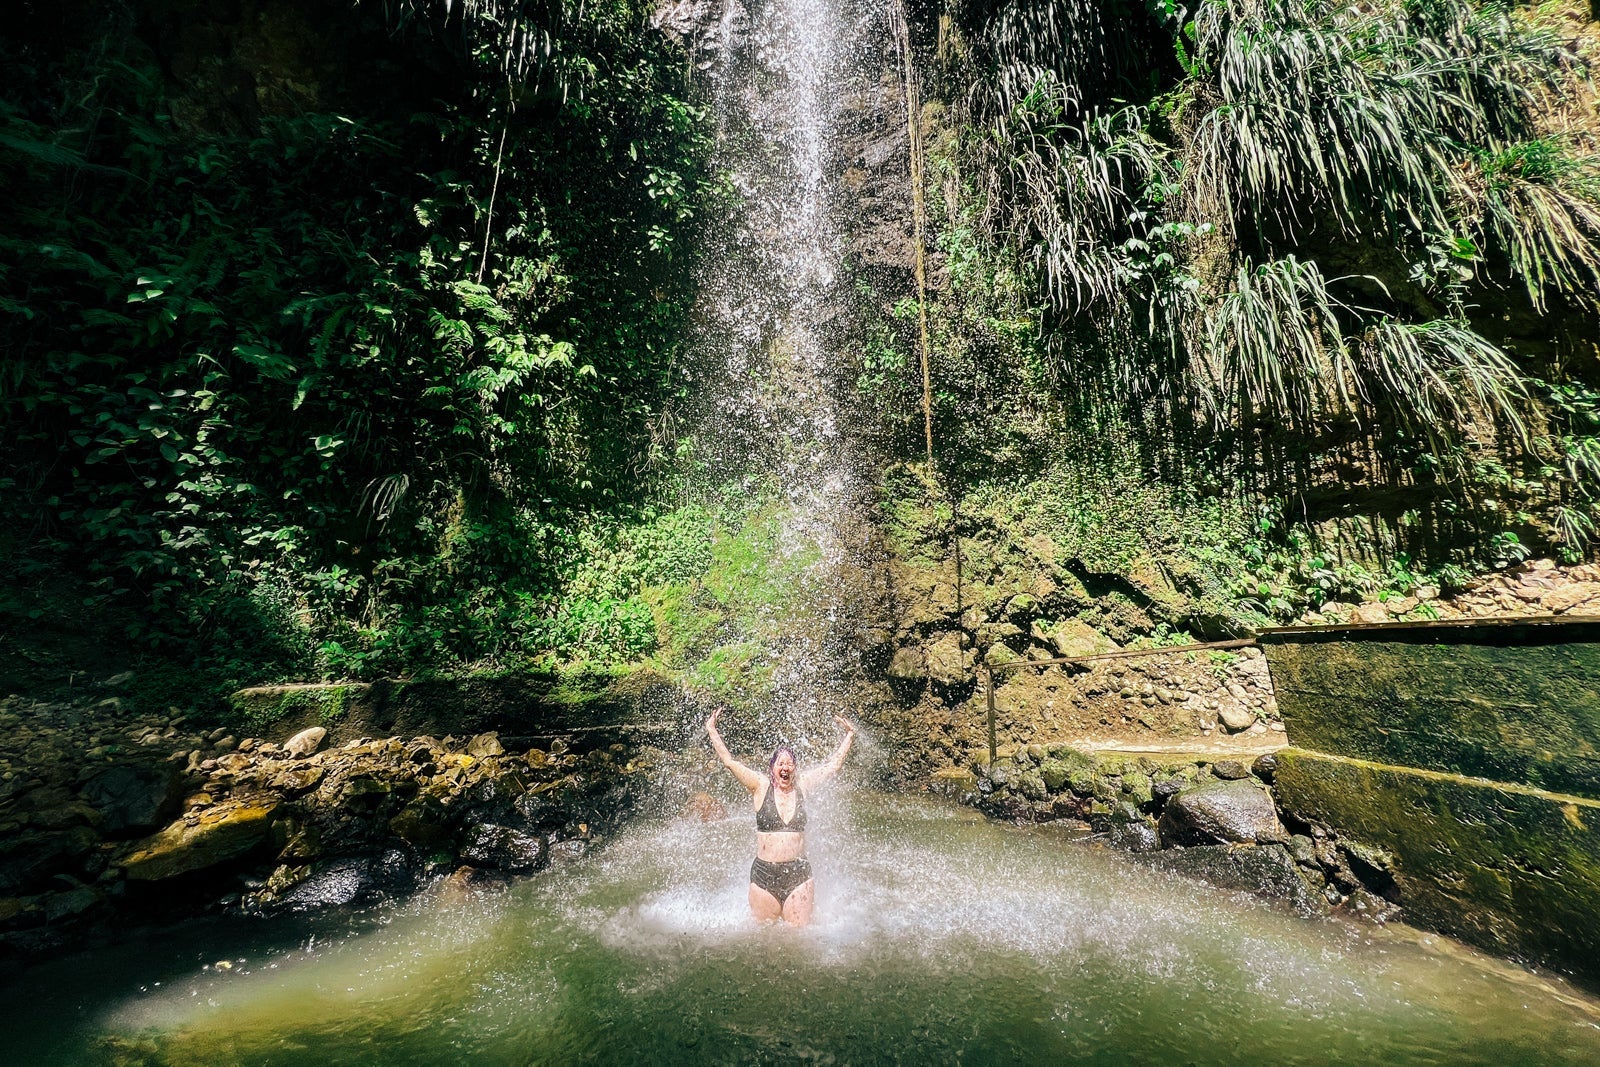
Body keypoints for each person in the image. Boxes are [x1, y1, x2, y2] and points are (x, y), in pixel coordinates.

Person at [704, 707, 856, 926]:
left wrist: (849, 735)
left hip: (798, 876)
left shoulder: (803, 784)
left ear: (795, 768)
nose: (786, 767)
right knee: (764, 939)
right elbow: (730, 762)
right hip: (764, 876)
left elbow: (833, 766)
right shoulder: (760, 786)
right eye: (781, 763)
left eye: (790, 763)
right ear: (772, 768)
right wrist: (711, 729)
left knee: (798, 938)